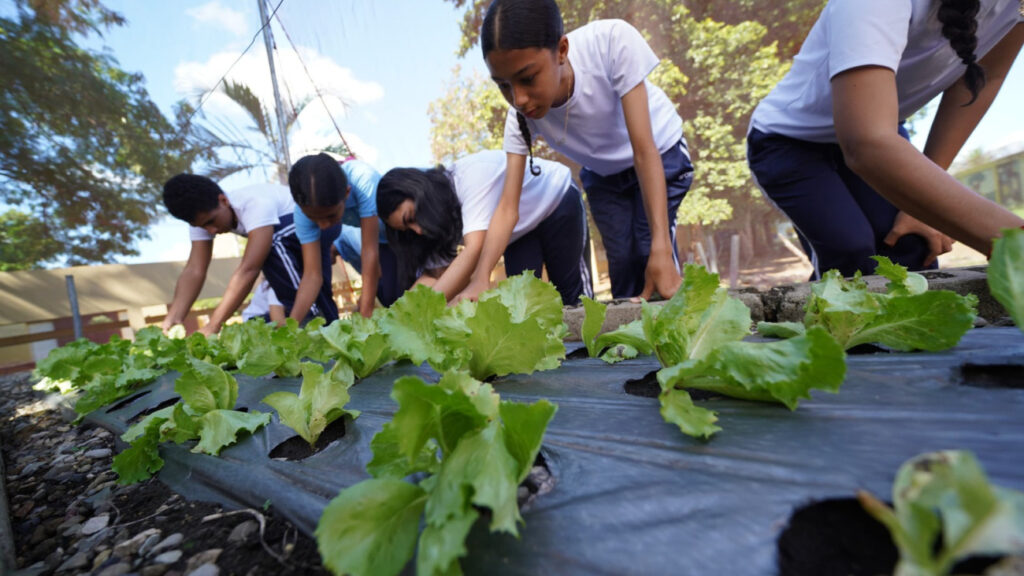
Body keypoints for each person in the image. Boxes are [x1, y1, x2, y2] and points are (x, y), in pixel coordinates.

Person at [747, 0, 1024, 280]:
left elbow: (985, 78)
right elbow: (866, 144)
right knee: (850, 253)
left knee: (912, 246)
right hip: (789, 140)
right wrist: (1014, 242)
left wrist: (921, 207)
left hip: (884, 130)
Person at [459, 0, 694, 302]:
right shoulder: (519, 120)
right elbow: (507, 208)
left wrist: (660, 248)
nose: (518, 98)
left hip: (659, 156)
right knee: (622, 264)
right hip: (604, 177)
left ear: (561, 50)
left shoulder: (610, 42)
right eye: (503, 85)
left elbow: (643, 150)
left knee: (651, 251)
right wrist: (480, 277)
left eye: (527, 78)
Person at [377, 150, 593, 305]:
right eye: (408, 230)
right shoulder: (436, 222)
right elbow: (433, 277)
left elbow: (474, 249)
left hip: (556, 199)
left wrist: (425, 313)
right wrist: (401, 315)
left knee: (572, 295)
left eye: (411, 218)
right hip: (517, 231)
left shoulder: (470, 176)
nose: (418, 231)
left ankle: (591, 358)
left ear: (419, 192)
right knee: (523, 303)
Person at [161, 174, 337, 335]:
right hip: (290, 241)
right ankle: (326, 325)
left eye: (211, 222)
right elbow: (194, 270)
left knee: (272, 246)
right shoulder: (202, 221)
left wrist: (214, 325)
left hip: (315, 223)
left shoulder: (254, 204)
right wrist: (174, 317)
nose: (211, 231)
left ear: (223, 200)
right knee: (278, 259)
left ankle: (314, 323)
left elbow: (249, 269)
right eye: (203, 227)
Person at [290, 153, 400, 318]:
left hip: (407, 232)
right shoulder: (302, 212)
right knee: (390, 295)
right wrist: (292, 326)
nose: (324, 226)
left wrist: (364, 316)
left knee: (412, 289)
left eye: (330, 216)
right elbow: (312, 275)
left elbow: (369, 250)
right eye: (315, 219)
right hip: (384, 242)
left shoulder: (363, 179)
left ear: (347, 193)